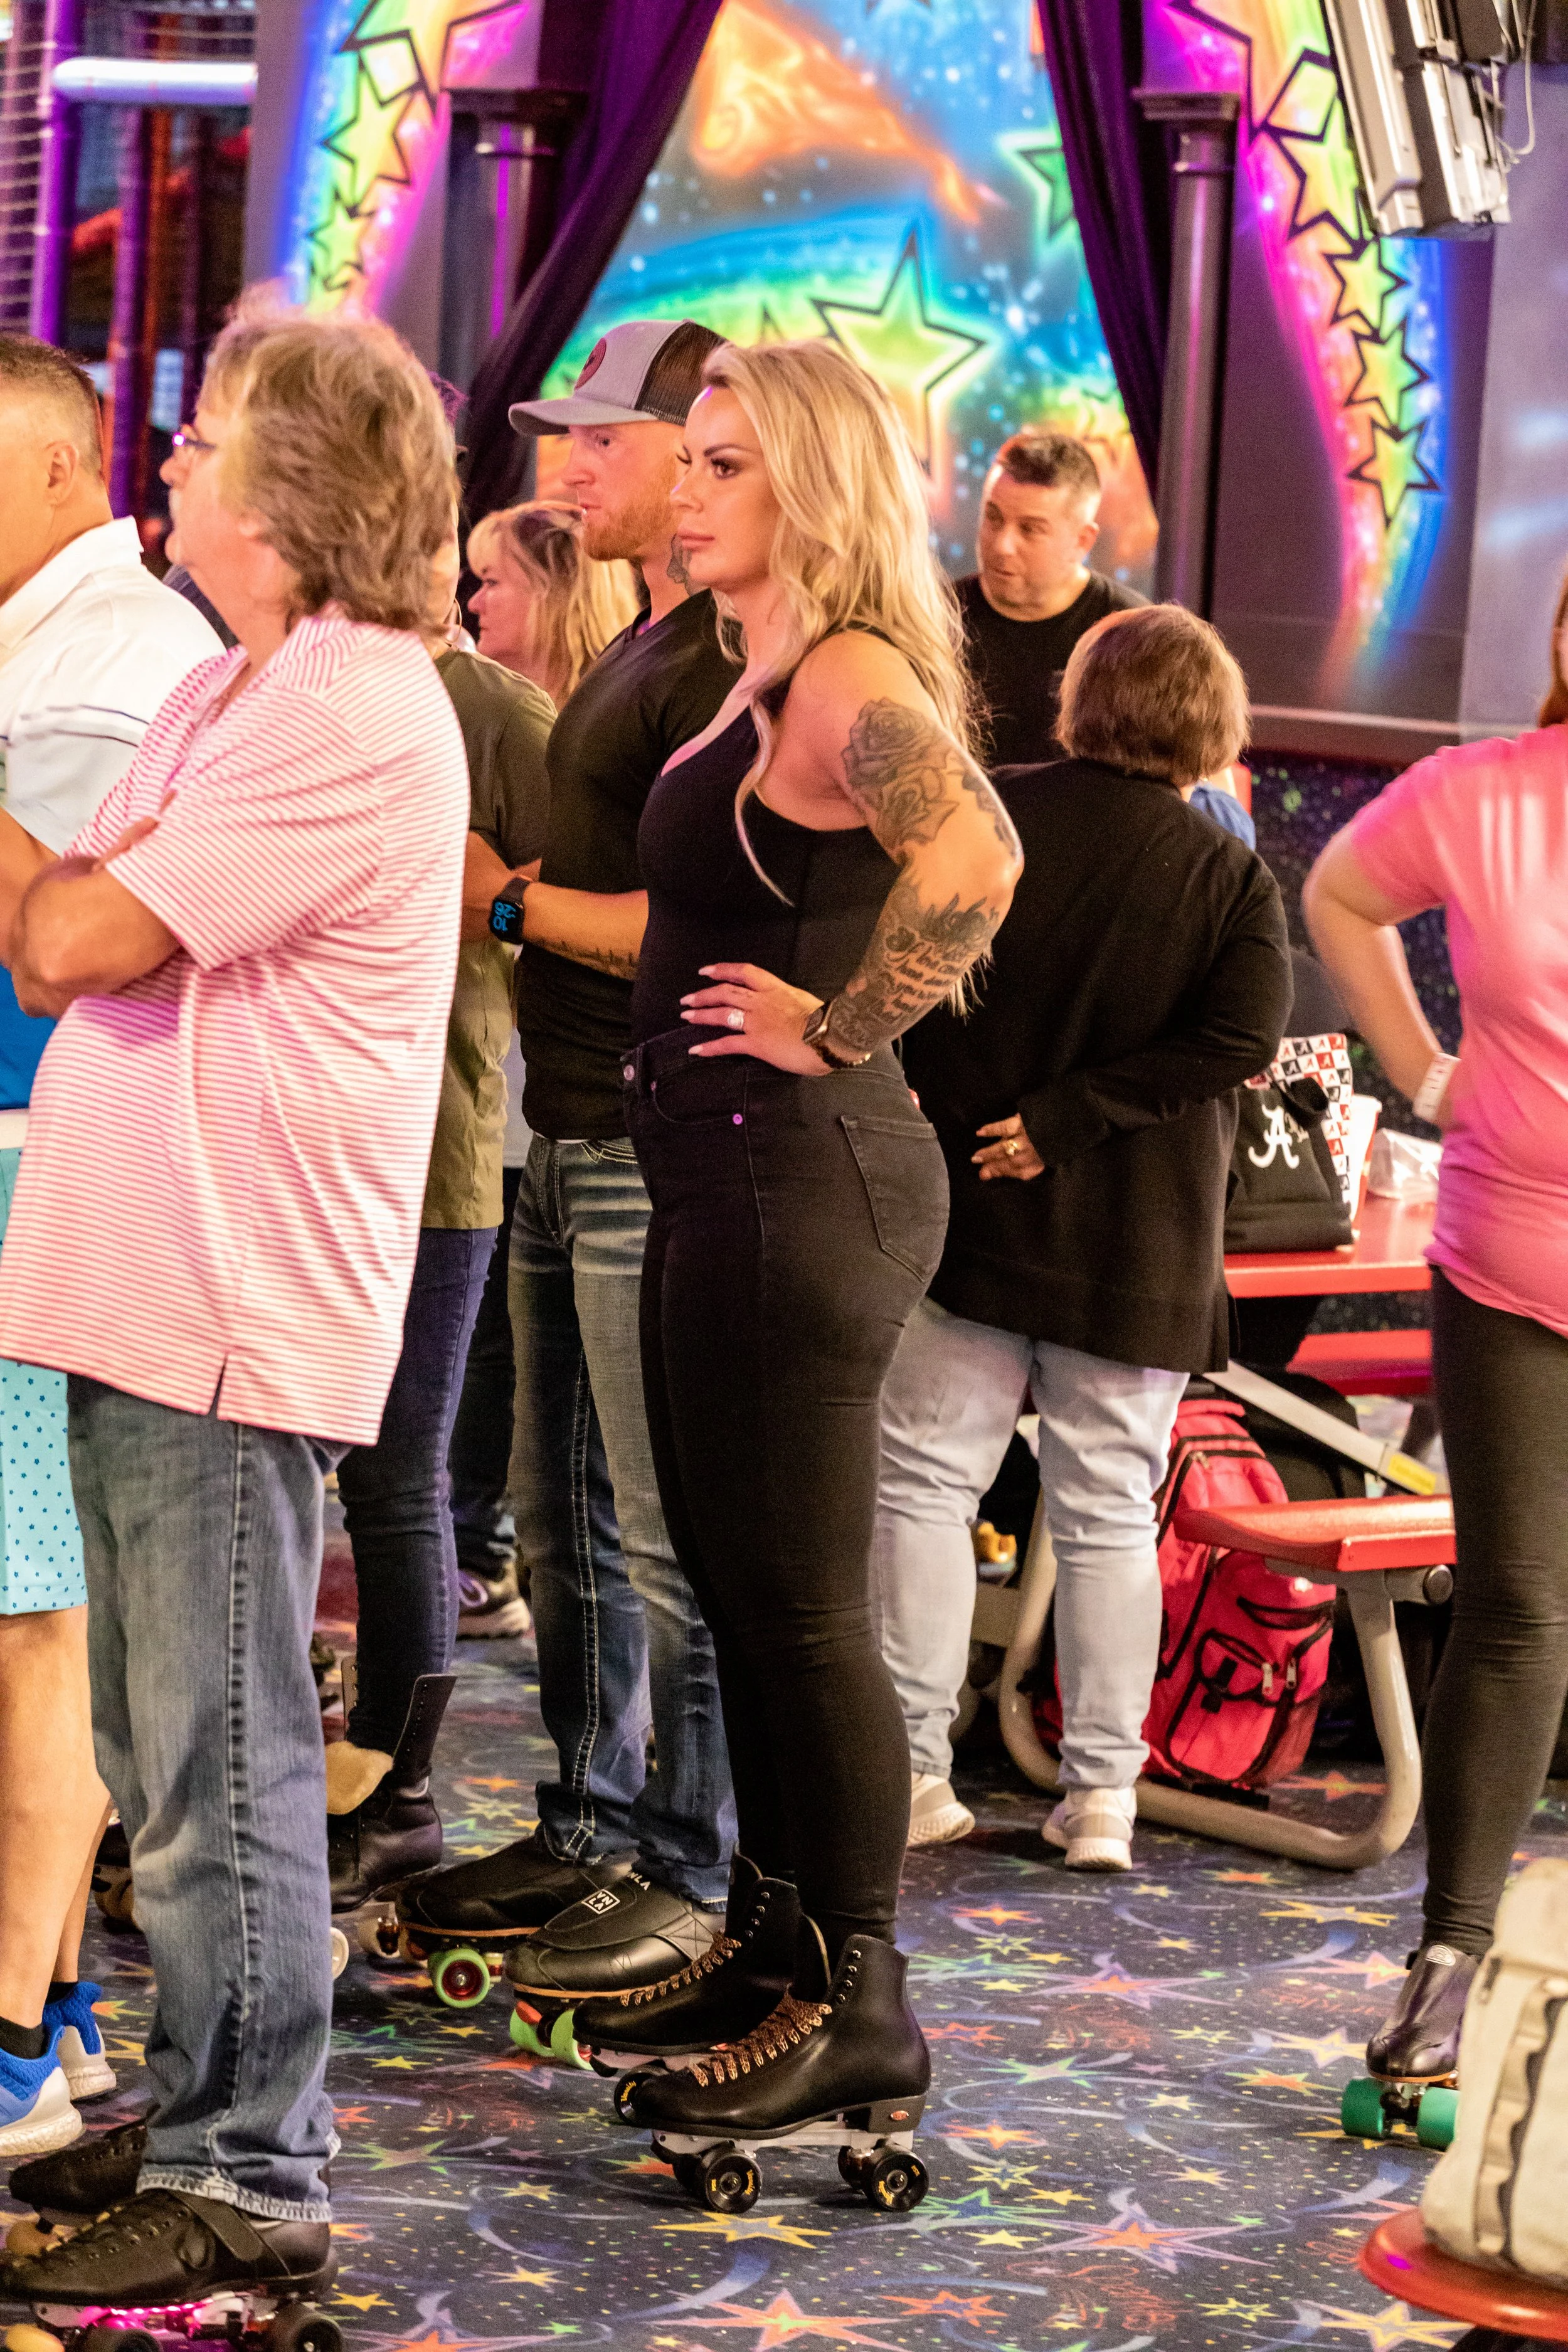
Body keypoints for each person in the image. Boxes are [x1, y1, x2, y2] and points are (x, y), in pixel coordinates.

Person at [0, 310, 469, 2307]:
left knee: (217, 1763)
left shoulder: (347, 706)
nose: (169, 465)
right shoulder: (247, 690)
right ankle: (201, 2109)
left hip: (225, 1290)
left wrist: (57, 885)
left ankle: (253, 2166)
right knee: (159, 1739)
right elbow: (70, 923)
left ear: (294, 497)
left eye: (203, 440)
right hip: (146, 1284)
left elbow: (73, 930)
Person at [570, 337, 1019, 2150]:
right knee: (753, 1600)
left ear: (814, 487)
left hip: (802, 1172)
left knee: (805, 1613)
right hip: (731, 1176)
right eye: (687, 454)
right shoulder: (758, 666)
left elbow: (976, 858)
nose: (690, 487)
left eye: (729, 462)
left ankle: (860, 2004)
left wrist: (837, 1023)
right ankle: (774, 1951)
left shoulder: (842, 668)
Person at [398, 319, 742, 2006]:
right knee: (564, 1517)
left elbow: (694, 923)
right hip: (569, 1119)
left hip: (645, 1133)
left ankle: (685, 1866)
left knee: (661, 1533)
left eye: (603, 441)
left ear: (702, 454)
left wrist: (511, 902)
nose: (572, 468)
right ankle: (596, 1821)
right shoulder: (644, 646)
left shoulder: (737, 662)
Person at [870, 605, 1290, 1872]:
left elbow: (899, 979)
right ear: (1210, 726)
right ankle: (1100, 1798)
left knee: (924, 1492)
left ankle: (908, 1776)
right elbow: (1240, 1042)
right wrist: (1078, 1117)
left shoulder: (988, 818)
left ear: (1076, 700)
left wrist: (1007, 1119)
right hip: (1136, 1245)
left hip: (968, 1220)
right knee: (1106, 1513)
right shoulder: (1228, 873)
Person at [1301, 560, 1568, 2090]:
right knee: (1521, 1605)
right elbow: (1339, 890)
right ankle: (1451, 1957)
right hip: (1510, 1260)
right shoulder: (1484, 793)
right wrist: (1424, 1064)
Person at [0, 332, 220, 2161]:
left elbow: (58, 957)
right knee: (35, 1617)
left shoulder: (107, 667)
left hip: (35, 1175)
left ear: (68, 473)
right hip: (49, 1176)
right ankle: (49, 2018)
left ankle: (21, 2033)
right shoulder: (82, 646)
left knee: (36, 1624)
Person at [327, 527, 553, 1912]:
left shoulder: (499, 714)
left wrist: (497, 905)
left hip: (436, 1164)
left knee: (397, 1482)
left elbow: (589, 933)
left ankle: (398, 1791)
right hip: (297, 1153)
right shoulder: (293, 688)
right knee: (296, 1484)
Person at [447, 509, 639, 1638]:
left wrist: (508, 901)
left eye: (494, 583)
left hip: (570, 1094)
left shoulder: (549, 724)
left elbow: (562, 907)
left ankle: (474, 1545)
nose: (476, 606)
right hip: (528, 1088)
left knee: (602, 1482)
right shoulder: (496, 711)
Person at [956, 427, 1252, 844]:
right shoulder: (933, 620)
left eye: (1030, 529)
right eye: (994, 518)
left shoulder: (1133, 636)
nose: (1002, 544)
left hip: (1091, 861)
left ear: (1083, 540)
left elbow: (1203, 786)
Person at [467, 501, 638, 703]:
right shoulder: (482, 702)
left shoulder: (620, 710)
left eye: (492, 582)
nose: (473, 605)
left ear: (555, 595)